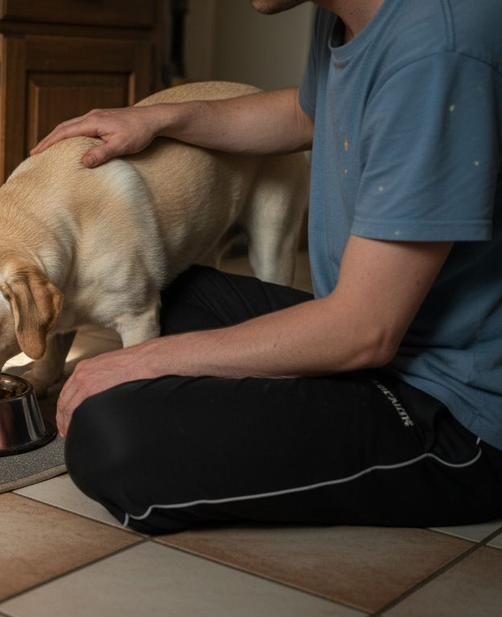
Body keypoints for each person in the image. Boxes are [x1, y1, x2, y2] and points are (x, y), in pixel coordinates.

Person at [30, 0, 502, 534]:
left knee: (111, 437)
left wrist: (142, 363)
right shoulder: (347, 13)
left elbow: (364, 331)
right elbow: (305, 113)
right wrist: (160, 118)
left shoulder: (435, 51)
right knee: (171, 292)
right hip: (380, 345)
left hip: (458, 410)